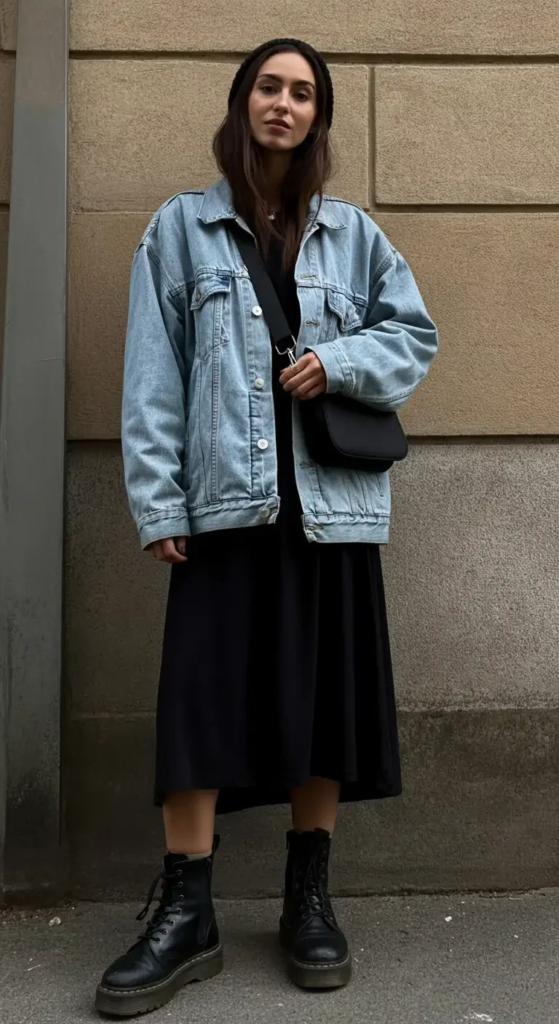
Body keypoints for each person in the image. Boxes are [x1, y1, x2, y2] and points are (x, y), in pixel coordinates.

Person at [95, 37, 438, 1017]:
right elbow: (153, 376)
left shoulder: (354, 234)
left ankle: (308, 897)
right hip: (225, 504)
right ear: (241, 102)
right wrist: (159, 502)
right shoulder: (181, 229)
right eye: (267, 87)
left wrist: (338, 364)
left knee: (323, 696)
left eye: (301, 92)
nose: (283, 104)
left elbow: (413, 333)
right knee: (198, 698)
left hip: (330, 508)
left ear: (317, 115)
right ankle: (187, 908)